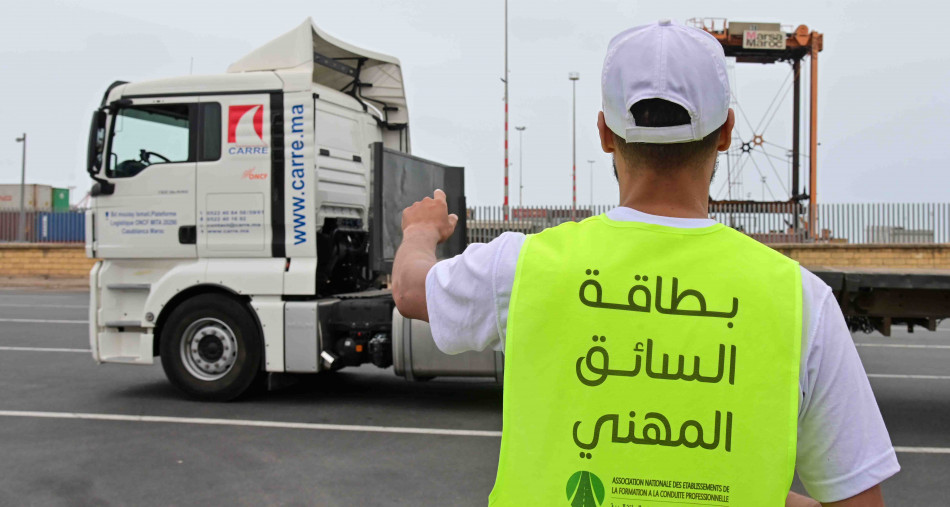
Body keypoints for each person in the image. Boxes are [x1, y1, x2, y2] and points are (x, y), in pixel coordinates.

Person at [392, 20, 899, 507]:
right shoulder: (800, 301)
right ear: (726, 132)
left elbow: (411, 290)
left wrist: (420, 231)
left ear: (604, 134)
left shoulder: (523, 267)